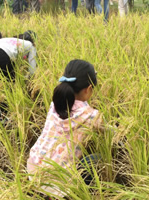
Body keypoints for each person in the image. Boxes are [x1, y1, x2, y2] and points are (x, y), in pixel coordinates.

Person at [27, 59, 101, 197]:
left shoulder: (54, 105)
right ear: (89, 89)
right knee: (99, 158)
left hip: (34, 166)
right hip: (58, 182)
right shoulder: (92, 116)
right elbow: (110, 134)